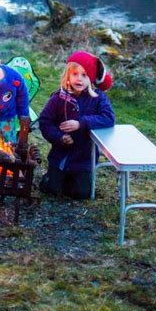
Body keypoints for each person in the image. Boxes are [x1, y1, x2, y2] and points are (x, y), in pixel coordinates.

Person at [38, 51, 115, 200]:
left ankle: (74, 181)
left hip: (83, 159)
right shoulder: (58, 98)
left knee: (80, 193)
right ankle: (54, 177)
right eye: (75, 74)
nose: (79, 78)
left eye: (84, 75)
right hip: (61, 156)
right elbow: (45, 121)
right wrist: (59, 137)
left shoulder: (98, 98)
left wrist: (81, 123)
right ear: (68, 75)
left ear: (91, 78)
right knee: (51, 189)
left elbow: (108, 118)